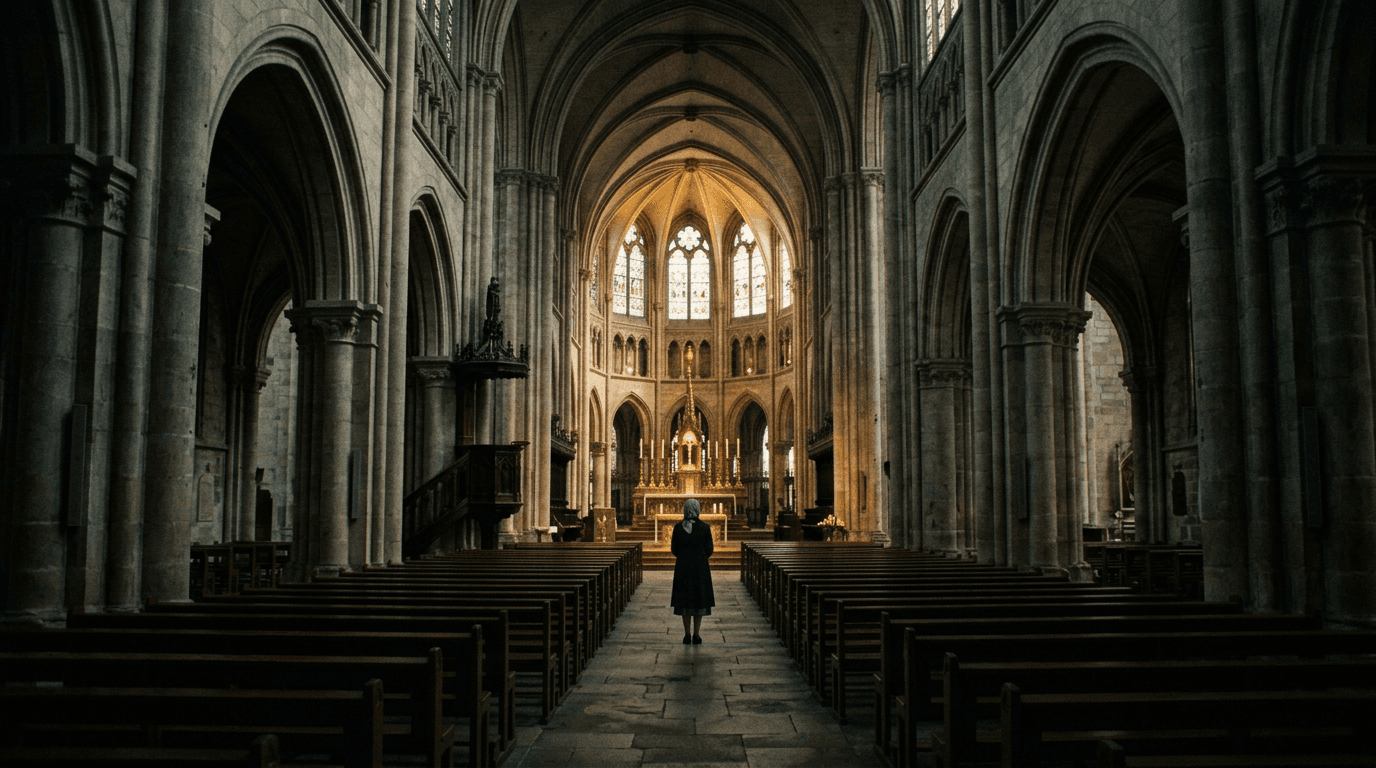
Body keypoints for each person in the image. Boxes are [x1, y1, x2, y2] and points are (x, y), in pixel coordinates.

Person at [670, 498, 715, 644]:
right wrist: (699, 556)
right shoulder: (705, 527)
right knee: (699, 600)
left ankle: (687, 634)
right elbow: (710, 550)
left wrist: (684, 556)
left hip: (683, 567)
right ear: (698, 509)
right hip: (699, 568)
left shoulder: (677, 527)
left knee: (685, 601)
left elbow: (674, 549)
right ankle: (697, 634)